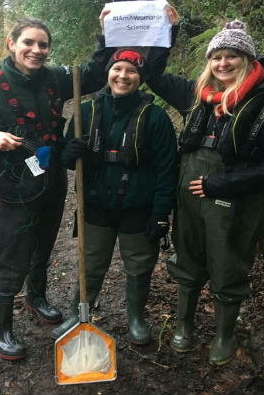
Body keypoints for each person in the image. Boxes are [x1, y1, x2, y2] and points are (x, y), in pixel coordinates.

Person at [0, 14, 114, 360]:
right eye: (28, 43)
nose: (36, 50)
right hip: (8, 185)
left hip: (50, 177)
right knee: (11, 251)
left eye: (43, 45)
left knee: (44, 241)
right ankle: (1, 329)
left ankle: (36, 297)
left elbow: (95, 74)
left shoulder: (55, 79)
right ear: (11, 44)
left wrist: (104, 34)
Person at [147, 19, 264, 364]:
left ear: (248, 60)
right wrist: (169, 31)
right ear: (208, 62)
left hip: (235, 204)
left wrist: (220, 184)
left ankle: (225, 335)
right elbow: (152, 73)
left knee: (228, 265)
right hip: (189, 201)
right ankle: (183, 325)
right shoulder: (194, 97)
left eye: (232, 56)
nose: (223, 64)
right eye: (216, 57)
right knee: (188, 260)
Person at [49, 47, 178, 345]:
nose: (123, 76)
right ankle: (78, 312)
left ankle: (136, 317)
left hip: (138, 207)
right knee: (91, 263)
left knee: (139, 265)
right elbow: (66, 159)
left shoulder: (156, 118)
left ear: (140, 77)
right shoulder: (86, 112)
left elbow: (167, 169)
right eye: (117, 69)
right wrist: (70, 153)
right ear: (108, 73)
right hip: (95, 202)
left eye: (131, 71)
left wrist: (161, 213)